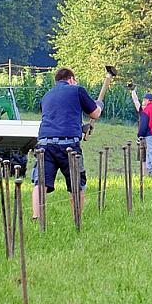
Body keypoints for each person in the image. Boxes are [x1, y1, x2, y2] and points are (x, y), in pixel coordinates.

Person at [31, 68, 102, 219]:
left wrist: (81, 127)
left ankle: (36, 217)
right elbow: (95, 113)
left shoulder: (47, 95)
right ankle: (77, 218)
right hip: (69, 144)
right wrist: (99, 104)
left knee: (40, 182)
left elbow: (59, 116)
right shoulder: (77, 90)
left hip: (45, 143)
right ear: (71, 79)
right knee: (77, 183)